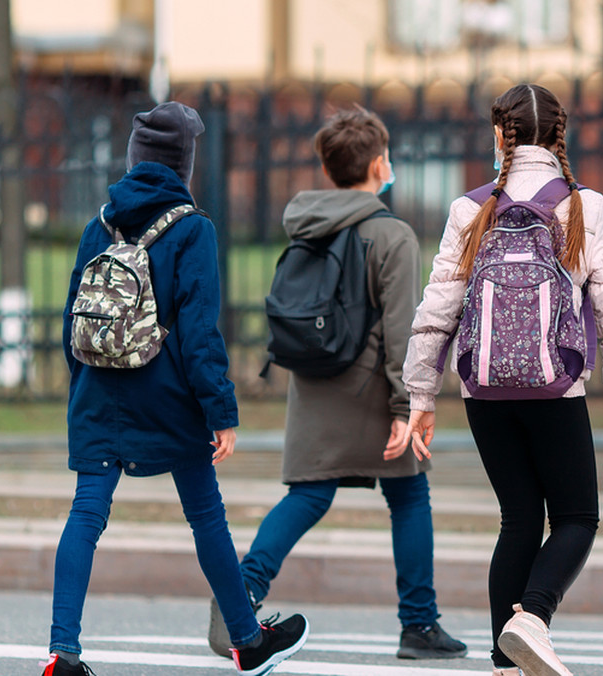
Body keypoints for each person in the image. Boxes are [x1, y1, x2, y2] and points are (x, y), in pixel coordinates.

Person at [47, 101, 308, 676]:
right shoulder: (192, 229)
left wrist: (84, 391)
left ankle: (62, 652)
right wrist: (221, 411)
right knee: (205, 514)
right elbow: (197, 333)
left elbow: (72, 319)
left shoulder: (99, 224)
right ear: (185, 165)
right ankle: (246, 640)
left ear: (134, 159)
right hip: (167, 396)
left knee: (86, 513)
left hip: (97, 392)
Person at [206, 106, 467, 661]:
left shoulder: (304, 224)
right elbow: (403, 331)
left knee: (308, 494)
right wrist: (407, 404)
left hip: (313, 385)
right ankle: (418, 625)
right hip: (373, 388)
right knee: (409, 494)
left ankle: (241, 592)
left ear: (328, 171)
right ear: (378, 166)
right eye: (389, 158)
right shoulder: (391, 234)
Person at [402, 83, 603, 676]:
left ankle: (504, 664)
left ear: (498, 137)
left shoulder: (470, 208)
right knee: (575, 519)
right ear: (561, 138)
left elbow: (438, 307)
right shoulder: (584, 207)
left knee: (517, 517)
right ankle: (532, 618)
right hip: (553, 387)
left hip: (484, 392)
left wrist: (421, 393)